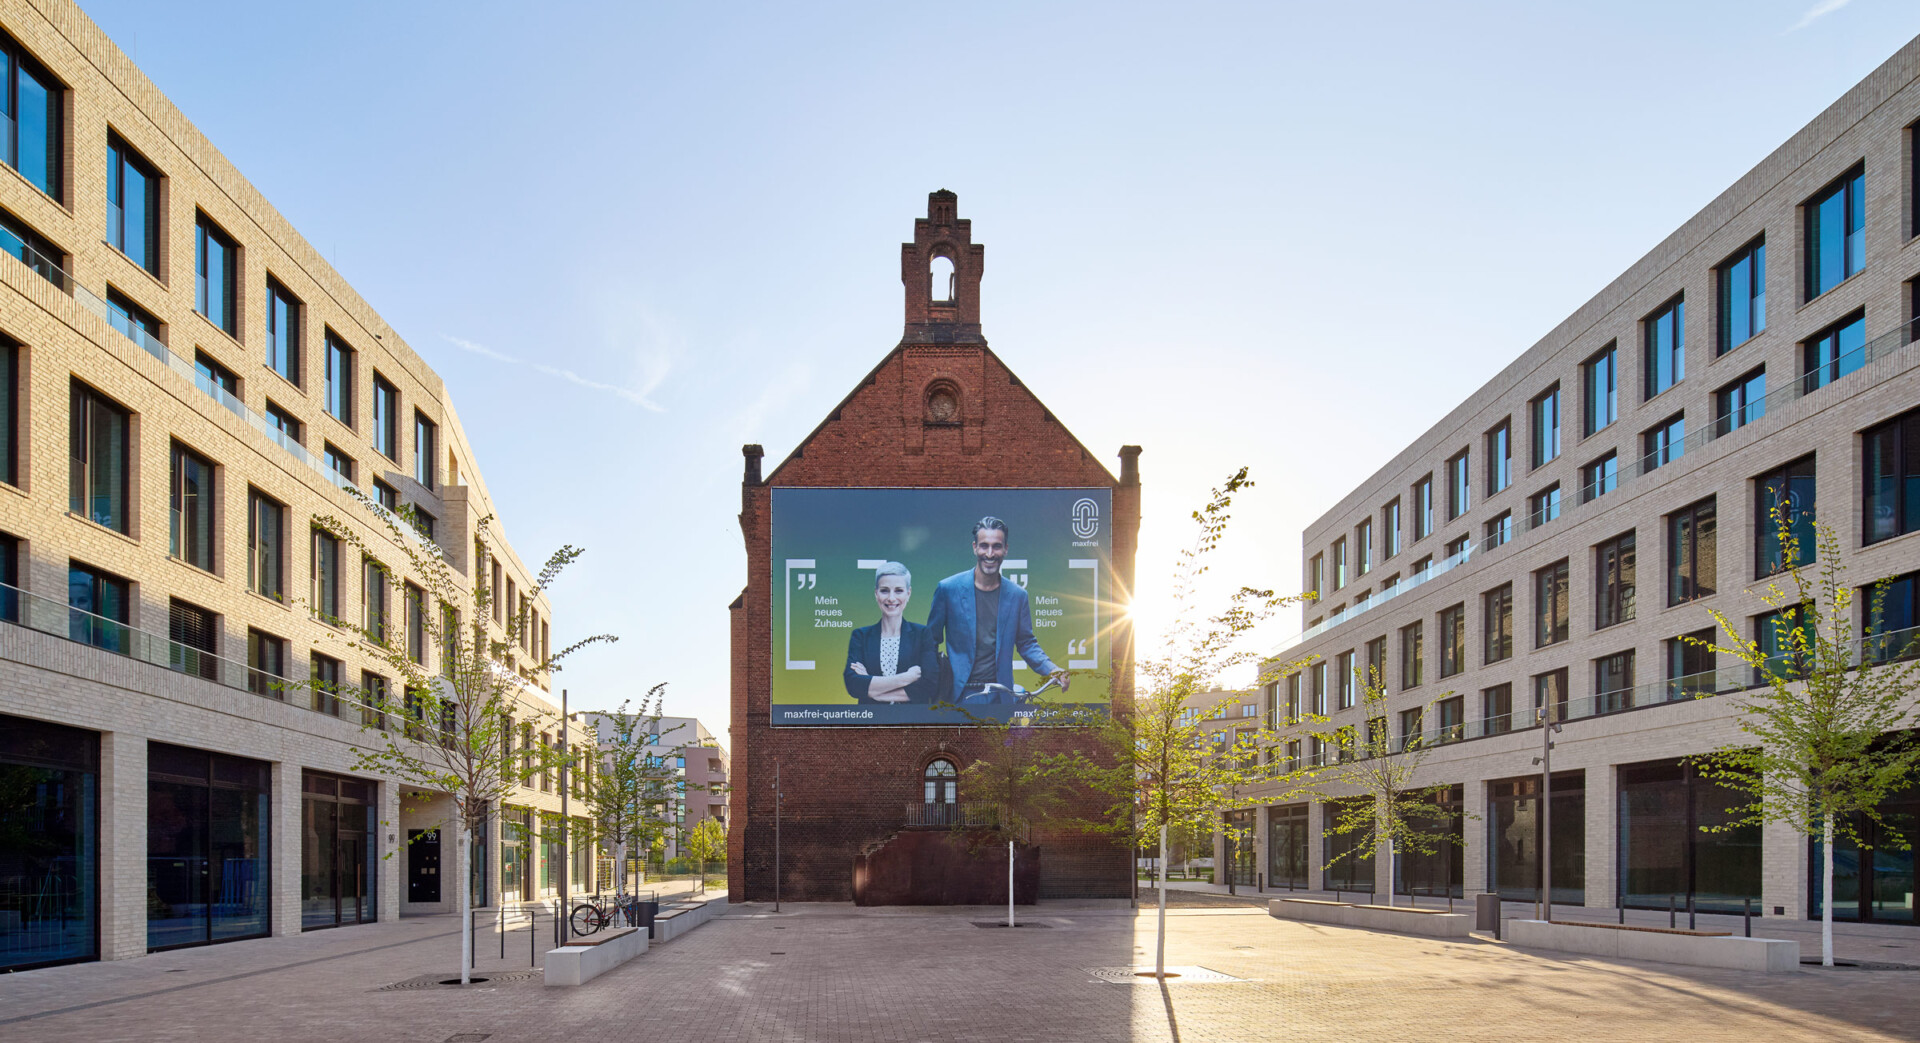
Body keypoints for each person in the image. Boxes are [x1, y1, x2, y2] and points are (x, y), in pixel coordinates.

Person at [924, 516, 1070, 705]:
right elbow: (930, 642)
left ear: (1006, 549)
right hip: (958, 696)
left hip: (1001, 696)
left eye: (997, 546)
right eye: (984, 546)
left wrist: (1052, 669)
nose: (990, 553)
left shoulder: (1018, 595)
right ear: (974, 547)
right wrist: (932, 683)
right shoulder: (948, 589)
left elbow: (1026, 643)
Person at [843, 562, 940, 704]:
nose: (891, 598)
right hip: (871, 717)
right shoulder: (861, 636)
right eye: (884, 590)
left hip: (911, 717)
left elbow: (928, 686)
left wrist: (874, 691)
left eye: (899, 591)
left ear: (908, 593)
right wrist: (906, 678)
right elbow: (853, 685)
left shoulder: (922, 634)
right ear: (876, 593)